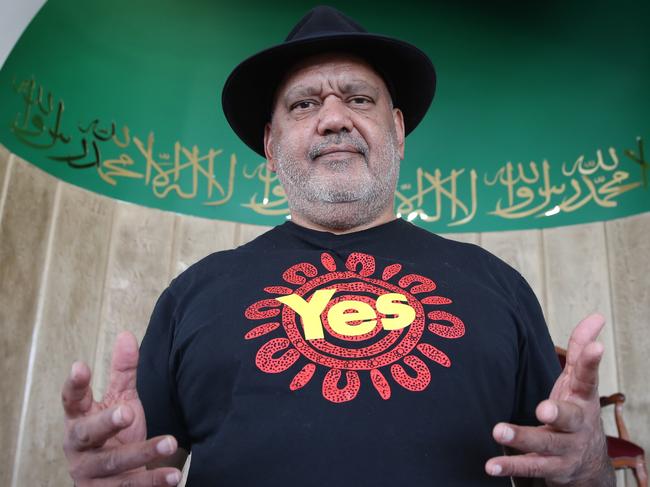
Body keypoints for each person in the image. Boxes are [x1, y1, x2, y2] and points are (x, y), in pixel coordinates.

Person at [61, 6, 614, 486]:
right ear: (272, 146)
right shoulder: (193, 294)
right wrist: (115, 474)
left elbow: (557, 471)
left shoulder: (498, 285)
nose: (332, 118)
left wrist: (589, 463)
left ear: (397, 130)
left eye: (358, 98)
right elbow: (145, 467)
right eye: (304, 105)